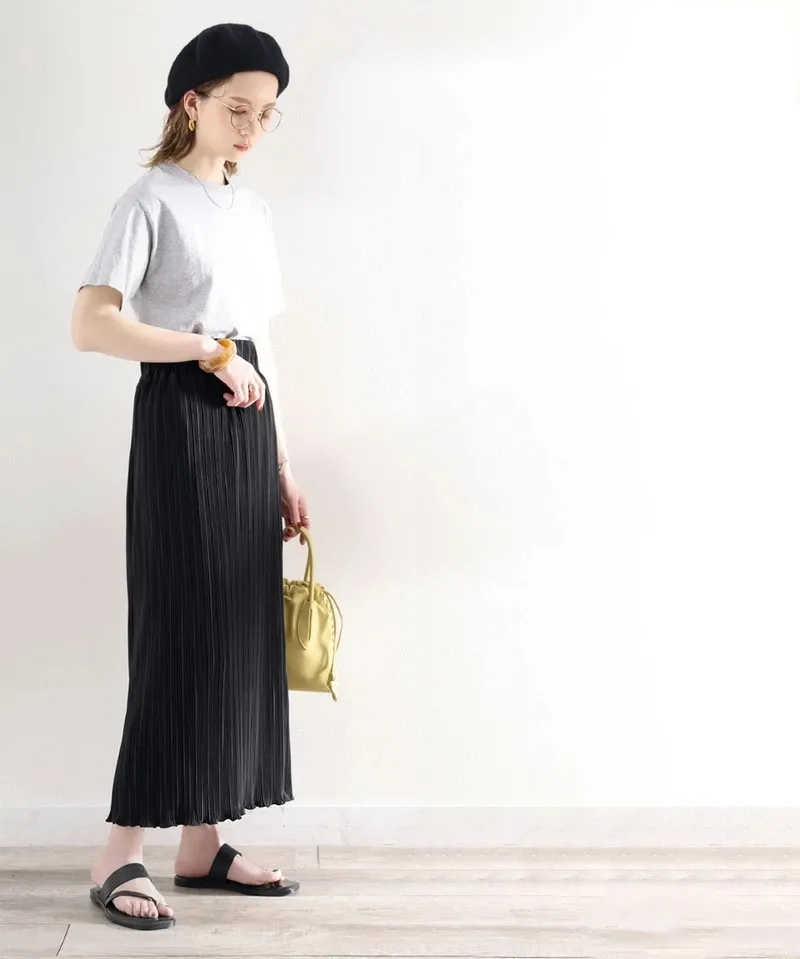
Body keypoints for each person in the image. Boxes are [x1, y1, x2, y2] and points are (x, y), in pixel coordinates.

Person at [70, 23, 309, 931]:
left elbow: (260, 338)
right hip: (182, 418)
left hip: (251, 422)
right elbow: (93, 324)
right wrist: (208, 352)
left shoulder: (252, 211)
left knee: (237, 633)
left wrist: (282, 463)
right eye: (238, 107)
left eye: (268, 113)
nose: (252, 126)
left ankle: (203, 843)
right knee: (178, 630)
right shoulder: (150, 201)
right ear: (192, 102)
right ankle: (118, 851)